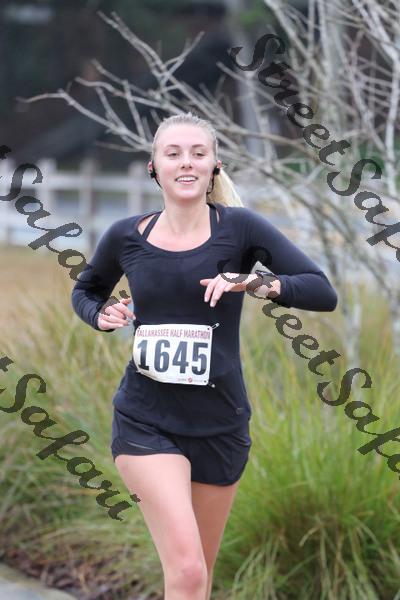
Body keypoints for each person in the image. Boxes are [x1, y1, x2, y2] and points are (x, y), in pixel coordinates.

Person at [71, 111, 337, 600]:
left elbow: (322, 291)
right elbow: (86, 290)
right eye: (173, 154)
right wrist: (100, 313)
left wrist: (252, 281)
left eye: (198, 153)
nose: (186, 163)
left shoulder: (240, 229)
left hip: (221, 424)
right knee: (189, 571)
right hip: (146, 422)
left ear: (215, 164)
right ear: (154, 166)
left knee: (198, 578)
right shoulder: (126, 236)